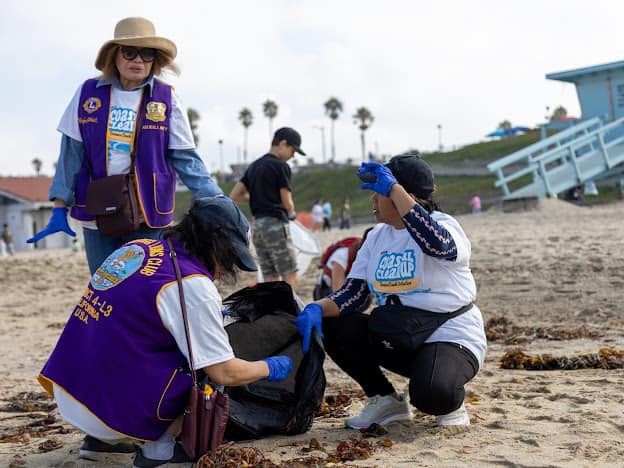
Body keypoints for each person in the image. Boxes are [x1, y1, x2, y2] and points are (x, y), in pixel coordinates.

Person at [38, 197, 293, 467]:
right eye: (230, 258)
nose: (224, 270)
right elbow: (225, 372)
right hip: (107, 408)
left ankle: (100, 442)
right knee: (204, 368)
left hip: (70, 388)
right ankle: (158, 452)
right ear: (216, 245)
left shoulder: (139, 247)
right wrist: (270, 367)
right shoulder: (192, 285)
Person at [296, 154, 487, 430]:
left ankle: (452, 403)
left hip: (450, 335)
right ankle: (384, 400)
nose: (373, 199)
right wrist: (316, 308)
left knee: (432, 395)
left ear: (403, 195)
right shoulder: (376, 235)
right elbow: (355, 294)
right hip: (400, 334)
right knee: (333, 322)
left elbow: (437, 245)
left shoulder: (445, 225)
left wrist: (395, 190)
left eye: (380, 192)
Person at [27, 17, 224, 275]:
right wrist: (59, 206)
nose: (138, 60)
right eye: (130, 52)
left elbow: (185, 158)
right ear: (114, 55)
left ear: (155, 60)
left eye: (147, 54)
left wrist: (216, 197)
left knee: (145, 286)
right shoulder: (87, 93)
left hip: (148, 210)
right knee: (103, 284)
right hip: (99, 211)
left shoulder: (167, 98)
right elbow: (71, 155)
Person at [229, 127, 306, 290]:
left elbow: (234, 195)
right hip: (276, 224)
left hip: (257, 227)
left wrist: (257, 197)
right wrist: (292, 214)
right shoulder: (281, 166)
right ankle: (288, 311)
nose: (293, 156)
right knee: (289, 272)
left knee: (269, 274)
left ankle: (272, 312)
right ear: (283, 144)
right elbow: (287, 202)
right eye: (293, 151)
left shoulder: (254, 167)